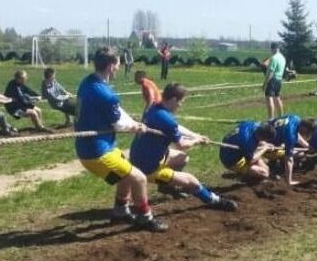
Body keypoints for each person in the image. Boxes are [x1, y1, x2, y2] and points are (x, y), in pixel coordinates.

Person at [75, 47, 167, 232]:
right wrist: (136, 127)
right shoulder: (105, 94)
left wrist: (134, 122)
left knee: (124, 177)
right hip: (97, 152)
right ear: (111, 66)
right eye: (118, 64)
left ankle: (120, 210)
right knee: (139, 178)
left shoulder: (88, 82)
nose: (119, 67)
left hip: (95, 147)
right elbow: (118, 124)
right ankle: (145, 217)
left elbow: (116, 114)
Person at [130, 83, 238, 211]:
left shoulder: (155, 108)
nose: (180, 105)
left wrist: (195, 135)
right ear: (174, 99)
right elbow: (181, 145)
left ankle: (166, 186)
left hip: (139, 157)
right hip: (148, 167)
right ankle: (214, 200)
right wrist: (197, 141)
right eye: (181, 102)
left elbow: (175, 127)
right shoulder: (166, 119)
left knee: (182, 158)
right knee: (192, 181)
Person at [266, 114, 317, 186]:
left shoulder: (295, 118)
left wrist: (308, 146)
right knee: (298, 154)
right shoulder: (290, 136)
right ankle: (271, 170)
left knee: (287, 148)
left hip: (266, 130)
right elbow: (289, 159)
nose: (307, 135)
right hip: (266, 145)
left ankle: (273, 164)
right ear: (305, 128)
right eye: (308, 132)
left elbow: (297, 135)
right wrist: (289, 181)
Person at [264, 42, 286, 119]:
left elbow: (270, 72)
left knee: (269, 98)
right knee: (277, 98)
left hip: (272, 80)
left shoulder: (273, 58)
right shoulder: (283, 58)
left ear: (272, 49)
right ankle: (281, 116)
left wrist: (265, 83)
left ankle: (271, 118)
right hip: (279, 80)